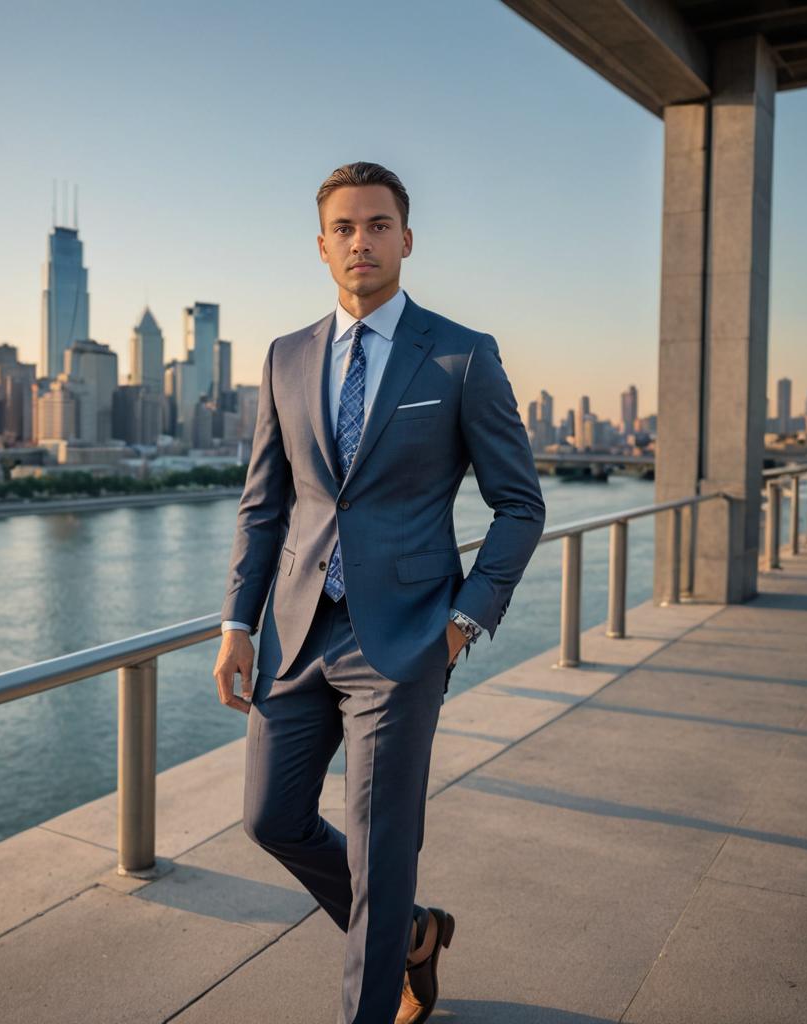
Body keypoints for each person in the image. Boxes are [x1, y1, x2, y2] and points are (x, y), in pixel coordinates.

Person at [213, 161, 546, 1023]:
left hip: (403, 641)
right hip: (292, 634)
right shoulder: (286, 356)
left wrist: (465, 619)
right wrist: (236, 624)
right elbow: (264, 505)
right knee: (270, 819)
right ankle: (412, 933)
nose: (362, 240)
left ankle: (381, 984)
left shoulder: (462, 355)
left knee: (380, 849)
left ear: (406, 237)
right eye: (345, 228)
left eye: (378, 224)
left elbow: (520, 504)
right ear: (322, 246)